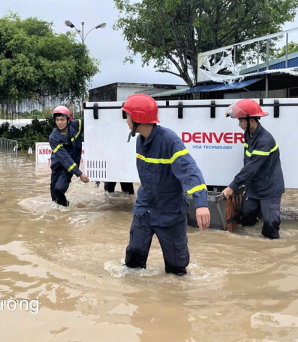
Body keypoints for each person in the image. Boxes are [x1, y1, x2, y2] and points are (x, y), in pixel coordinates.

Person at [121, 93, 210, 276]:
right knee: (133, 267)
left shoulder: (170, 141)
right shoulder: (140, 141)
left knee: (176, 271)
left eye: (127, 115)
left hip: (170, 212)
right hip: (145, 208)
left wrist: (201, 203)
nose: (126, 120)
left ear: (138, 118)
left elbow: (190, 171)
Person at [222, 99, 284, 239]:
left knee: (270, 227)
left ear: (251, 120)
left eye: (241, 121)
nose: (239, 124)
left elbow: (251, 167)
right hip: (254, 187)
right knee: (246, 218)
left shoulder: (265, 140)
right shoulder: (249, 135)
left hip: (269, 189)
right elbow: (248, 163)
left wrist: (233, 186)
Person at [49, 106, 89, 206]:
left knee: (59, 189)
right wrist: (80, 173)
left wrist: (87, 109)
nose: (59, 122)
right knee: (54, 198)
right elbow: (63, 157)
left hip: (70, 166)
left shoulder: (76, 126)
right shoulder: (53, 137)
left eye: (62, 119)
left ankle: (66, 209)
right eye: (57, 120)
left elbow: (89, 119)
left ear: (68, 119)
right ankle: (64, 214)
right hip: (57, 165)